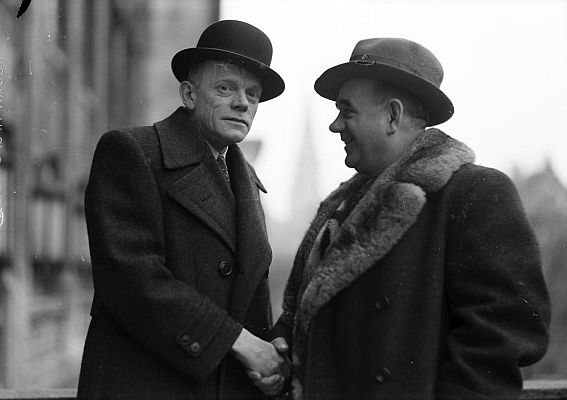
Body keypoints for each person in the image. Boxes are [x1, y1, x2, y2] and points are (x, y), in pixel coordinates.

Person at [269, 38, 551, 399]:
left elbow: (502, 336)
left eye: (347, 111)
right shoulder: (339, 207)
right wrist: (281, 342)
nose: (335, 126)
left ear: (392, 115)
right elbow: (312, 318)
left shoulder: (474, 192)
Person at [77, 20, 290, 400]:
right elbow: (133, 280)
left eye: (253, 94)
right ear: (189, 95)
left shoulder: (247, 181)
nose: (243, 103)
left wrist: (271, 355)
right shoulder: (133, 152)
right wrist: (240, 342)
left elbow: (250, 303)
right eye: (226, 88)